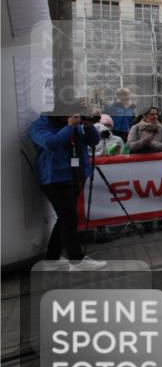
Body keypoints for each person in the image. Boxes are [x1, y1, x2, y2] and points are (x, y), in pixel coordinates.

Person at [29, 108, 106, 270]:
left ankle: (51, 259)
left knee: (65, 218)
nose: (70, 116)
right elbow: (51, 143)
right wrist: (70, 126)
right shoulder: (39, 126)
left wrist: (88, 126)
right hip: (54, 178)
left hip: (75, 177)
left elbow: (93, 141)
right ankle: (76, 260)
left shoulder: (73, 124)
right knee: (69, 218)